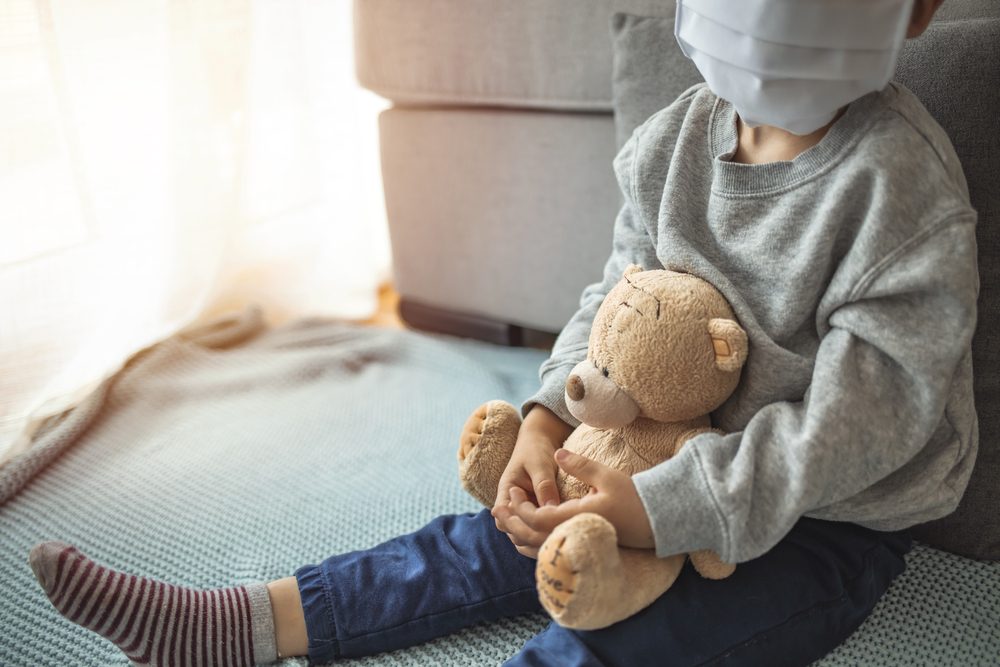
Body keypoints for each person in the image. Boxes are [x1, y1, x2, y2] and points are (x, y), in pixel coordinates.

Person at [29, 0, 979, 665]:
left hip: (820, 522)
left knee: (629, 633)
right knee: (488, 542)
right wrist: (547, 420)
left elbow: (862, 425)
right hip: (643, 449)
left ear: (915, 9)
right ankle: (243, 623)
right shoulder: (678, 139)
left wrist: (655, 513)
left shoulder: (900, 191)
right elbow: (618, 299)